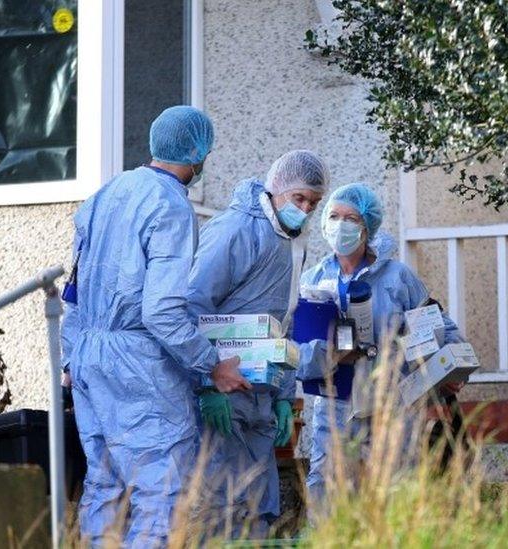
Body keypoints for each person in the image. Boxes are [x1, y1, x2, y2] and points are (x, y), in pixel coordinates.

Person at [61, 105, 250, 547]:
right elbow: (162, 311)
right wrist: (212, 365)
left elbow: (73, 291)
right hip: (137, 368)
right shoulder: (170, 207)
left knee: (103, 486)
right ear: (198, 152)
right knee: (162, 491)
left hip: (88, 359)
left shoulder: (103, 197)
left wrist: (70, 358)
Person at [295, 182, 467, 517]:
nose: (340, 225)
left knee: (395, 496)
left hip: (392, 407)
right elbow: (298, 355)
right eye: (334, 216)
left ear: (367, 226)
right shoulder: (313, 281)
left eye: (351, 218)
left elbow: (436, 325)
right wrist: (328, 354)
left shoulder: (397, 277)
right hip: (335, 409)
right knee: (328, 499)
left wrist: (449, 365)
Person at [187, 150, 329, 537]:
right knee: (218, 505)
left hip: (260, 394)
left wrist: (284, 394)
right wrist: (206, 379)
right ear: (276, 188)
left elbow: (283, 324)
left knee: (258, 506)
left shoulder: (291, 243)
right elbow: (194, 304)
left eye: (313, 203)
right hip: (223, 387)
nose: (305, 208)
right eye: (299, 198)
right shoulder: (235, 229)